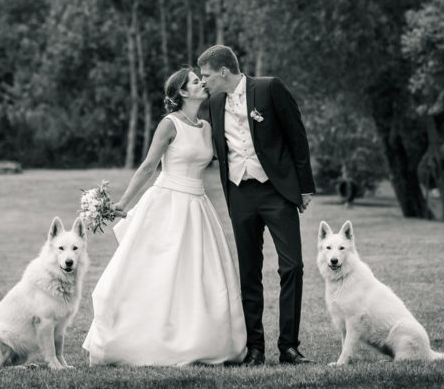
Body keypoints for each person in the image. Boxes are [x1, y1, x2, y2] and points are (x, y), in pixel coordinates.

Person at [82, 68, 247, 366]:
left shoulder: (207, 127)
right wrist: (123, 203)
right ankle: (141, 340)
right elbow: (148, 167)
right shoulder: (169, 125)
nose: (203, 83)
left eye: (201, 79)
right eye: (197, 81)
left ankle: (201, 340)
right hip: (167, 204)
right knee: (158, 272)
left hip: (198, 206)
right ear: (183, 92)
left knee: (198, 274)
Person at [199, 45, 315, 366]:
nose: (203, 80)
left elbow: (297, 137)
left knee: (292, 266)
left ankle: (289, 347)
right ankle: (255, 349)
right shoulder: (212, 103)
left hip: (276, 191)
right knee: (249, 273)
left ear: (223, 71)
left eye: (206, 75)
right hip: (239, 195)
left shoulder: (269, 88)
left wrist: (304, 187)